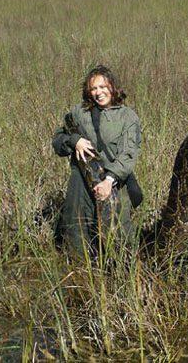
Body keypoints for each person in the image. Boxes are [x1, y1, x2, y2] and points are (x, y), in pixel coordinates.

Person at [52, 65, 141, 258]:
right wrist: (73, 141)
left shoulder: (127, 117)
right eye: (94, 89)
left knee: (119, 239)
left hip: (114, 181)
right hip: (80, 181)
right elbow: (58, 139)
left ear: (112, 86)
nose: (99, 93)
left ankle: (121, 280)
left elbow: (128, 153)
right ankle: (82, 276)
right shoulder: (79, 112)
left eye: (103, 87)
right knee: (78, 232)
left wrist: (109, 180)